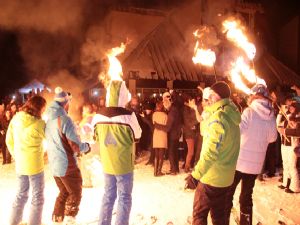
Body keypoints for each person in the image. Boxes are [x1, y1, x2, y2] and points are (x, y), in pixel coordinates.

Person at [185, 81, 241, 225]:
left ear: (219, 97)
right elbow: (204, 131)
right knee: (219, 217)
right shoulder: (230, 114)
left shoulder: (219, 119)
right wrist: (210, 110)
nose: (208, 98)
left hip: (211, 178)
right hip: (226, 178)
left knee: (199, 215)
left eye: (211, 96)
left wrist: (195, 176)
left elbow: (210, 153)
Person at [225, 84, 277, 225]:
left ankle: (222, 220)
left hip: (240, 162)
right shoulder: (271, 115)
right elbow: (273, 138)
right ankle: (245, 221)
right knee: (246, 196)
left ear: (255, 95)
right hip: (255, 165)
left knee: (228, 193)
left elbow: (237, 132)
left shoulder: (249, 112)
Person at [92, 80, 141, 225]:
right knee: (124, 197)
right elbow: (137, 135)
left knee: (108, 195)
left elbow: (95, 137)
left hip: (107, 163)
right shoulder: (129, 116)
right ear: (124, 95)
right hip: (124, 164)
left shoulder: (98, 116)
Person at [45, 87, 91, 224]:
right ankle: (70, 220)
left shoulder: (49, 120)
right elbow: (74, 145)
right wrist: (86, 147)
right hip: (66, 165)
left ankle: (57, 219)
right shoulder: (65, 120)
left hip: (54, 165)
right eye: (69, 102)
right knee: (75, 192)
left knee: (64, 192)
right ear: (65, 103)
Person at [6, 96, 47, 225]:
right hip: (35, 165)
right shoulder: (40, 123)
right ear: (39, 108)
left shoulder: (16, 119)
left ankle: (14, 221)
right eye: (43, 108)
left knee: (21, 194)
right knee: (37, 196)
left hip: (21, 165)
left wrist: (17, 156)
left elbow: (9, 141)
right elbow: (51, 138)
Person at [154, 91, 182, 175]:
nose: (164, 105)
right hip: (176, 134)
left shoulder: (172, 112)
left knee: (171, 153)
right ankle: (175, 169)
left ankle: (173, 170)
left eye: (166, 103)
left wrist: (157, 125)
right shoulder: (173, 110)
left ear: (169, 102)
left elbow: (167, 128)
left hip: (173, 135)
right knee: (174, 152)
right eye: (164, 103)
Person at [277, 100, 300, 193]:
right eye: (289, 107)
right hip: (284, 144)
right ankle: (285, 183)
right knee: (285, 164)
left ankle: (295, 187)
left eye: (292, 107)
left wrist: (286, 131)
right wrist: (279, 113)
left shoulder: (298, 118)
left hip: (292, 145)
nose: (290, 108)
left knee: (292, 165)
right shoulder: (288, 118)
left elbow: (297, 132)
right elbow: (278, 125)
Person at [152, 100, 168, 176]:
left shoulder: (154, 114)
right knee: (161, 154)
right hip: (162, 135)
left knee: (156, 154)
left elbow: (153, 123)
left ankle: (155, 172)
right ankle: (159, 171)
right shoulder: (165, 115)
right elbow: (166, 126)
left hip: (155, 135)